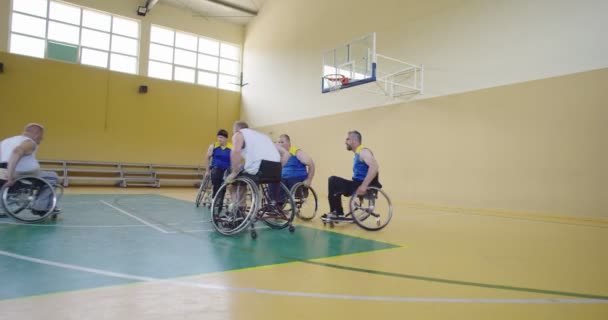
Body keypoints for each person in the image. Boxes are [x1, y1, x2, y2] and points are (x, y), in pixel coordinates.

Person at [0, 123, 61, 216]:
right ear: (36, 134)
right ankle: (40, 207)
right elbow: (17, 152)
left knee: (46, 175)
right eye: (41, 137)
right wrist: (10, 176)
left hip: (2, 173)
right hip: (18, 175)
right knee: (52, 177)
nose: (41, 140)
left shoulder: (5, 141)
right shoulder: (29, 142)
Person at [322, 130, 381, 219]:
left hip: (361, 185)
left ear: (354, 141)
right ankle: (336, 212)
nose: (345, 142)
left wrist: (364, 186)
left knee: (333, 180)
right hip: (357, 183)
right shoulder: (358, 153)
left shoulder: (363, 151)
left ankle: (336, 212)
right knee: (335, 185)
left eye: (347, 139)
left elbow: (374, 167)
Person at [225, 121, 290, 183]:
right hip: (275, 172)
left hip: (259, 170)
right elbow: (287, 154)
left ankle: (235, 193)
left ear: (237, 129)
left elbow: (235, 152)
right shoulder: (264, 137)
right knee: (245, 169)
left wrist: (234, 172)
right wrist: (278, 167)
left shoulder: (238, 134)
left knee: (230, 171)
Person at [204, 129, 231, 202]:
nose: (219, 139)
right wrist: (207, 171)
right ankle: (215, 198)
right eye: (218, 137)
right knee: (216, 177)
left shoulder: (231, 147)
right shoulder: (213, 146)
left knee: (224, 182)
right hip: (216, 168)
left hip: (227, 169)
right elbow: (207, 158)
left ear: (226, 138)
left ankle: (220, 200)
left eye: (221, 137)